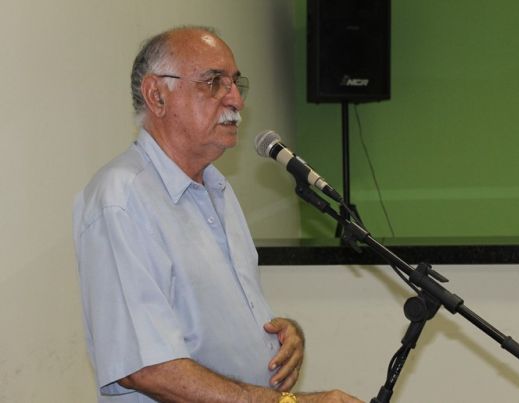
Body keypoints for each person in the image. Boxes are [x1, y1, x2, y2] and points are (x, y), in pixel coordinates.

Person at [73, 26, 364, 403]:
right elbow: (146, 368)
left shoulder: (217, 189)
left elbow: (213, 325)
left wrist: (281, 335)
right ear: (157, 96)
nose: (236, 100)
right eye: (213, 82)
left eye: (235, 83)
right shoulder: (122, 199)